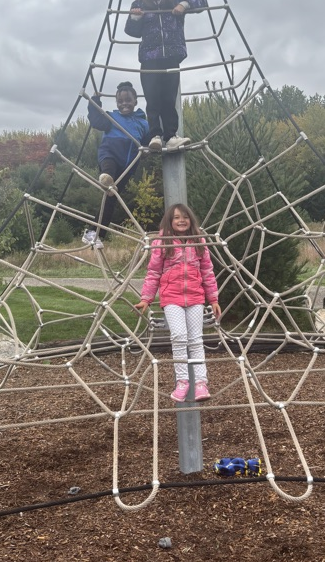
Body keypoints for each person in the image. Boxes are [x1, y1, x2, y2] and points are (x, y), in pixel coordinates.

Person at [134, 203, 221, 402]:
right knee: (179, 336)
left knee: (196, 339)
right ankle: (183, 381)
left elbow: (207, 272)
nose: (181, 220)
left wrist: (213, 298)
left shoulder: (198, 241)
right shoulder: (162, 242)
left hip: (195, 297)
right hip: (171, 298)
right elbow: (154, 272)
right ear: (169, 221)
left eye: (185, 217)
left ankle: (201, 383)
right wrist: (146, 299)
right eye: (176, 217)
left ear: (191, 220)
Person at [124, 0, 206, 151]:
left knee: (169, 97)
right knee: (152, 98)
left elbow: (201, 1)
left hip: (171, 55)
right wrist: (136, 17)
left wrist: (183, 5)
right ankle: (155, 135)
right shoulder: (139, 3)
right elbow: (131, 31)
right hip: (149, 57)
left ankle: (171, 135)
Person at [82, 81, 149, 247]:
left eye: (128, 100)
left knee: (111, 197)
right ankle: (106, 178)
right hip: (110, 154)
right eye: (120, 101)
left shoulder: (143, 123)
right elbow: (96, 120)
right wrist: (95, 101)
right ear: (117, 103)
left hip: (128, 165)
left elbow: (147, 143)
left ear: (135, 101)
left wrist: (147, 151)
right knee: (108, 176)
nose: (124, 104)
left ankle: (94, 234)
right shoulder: (112, 118)